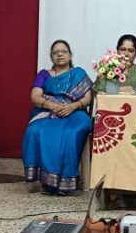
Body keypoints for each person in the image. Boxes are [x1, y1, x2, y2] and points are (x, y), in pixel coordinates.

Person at [22, 40, 94, 194]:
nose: (59, 54)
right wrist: (52, 106)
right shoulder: (44, 75)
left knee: (70, 133)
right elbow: (35, 96)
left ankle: (66, 182)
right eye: (55, 52)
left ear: (70, 55)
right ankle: (46, 181)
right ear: (51, 57)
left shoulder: (79, 73)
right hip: (48, 112)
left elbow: (87, 98)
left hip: (76, 113)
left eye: (63, 51)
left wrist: (72, 106)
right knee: (34, 130)